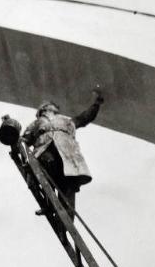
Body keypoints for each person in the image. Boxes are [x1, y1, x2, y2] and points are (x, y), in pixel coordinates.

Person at [22, 89, 104, 218]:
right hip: (46, 151)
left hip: (67, 156)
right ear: (44, 109)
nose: (56, 107)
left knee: (68, 188)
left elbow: (84, 118)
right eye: (51, 105)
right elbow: (24, 139)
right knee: (41, 172)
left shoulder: (66, 120)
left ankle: (67, 221)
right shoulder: (36, 123)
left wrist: (96, 104)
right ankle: (48, 205)